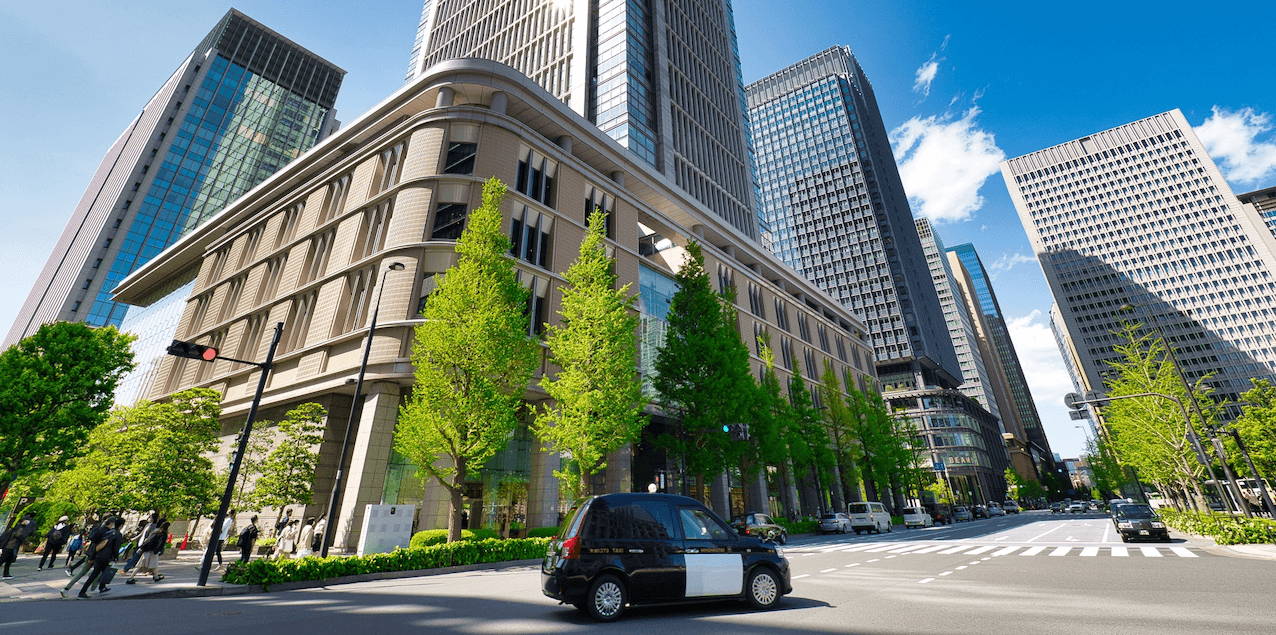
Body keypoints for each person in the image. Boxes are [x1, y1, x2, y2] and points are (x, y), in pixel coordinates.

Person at [61, 517, 120, 598]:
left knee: (82, 573)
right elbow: (102, 545)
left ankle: (66, 588)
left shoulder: (99, 529)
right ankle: (93, 588)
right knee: (97, 573)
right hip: (97, 556)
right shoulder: (108, 532)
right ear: (112, 523)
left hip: (90, 553)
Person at [77, 516, 122, 598]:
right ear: (121, 526)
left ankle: (101, 587)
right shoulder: (118, 534)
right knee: (97, 574)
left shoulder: (109, 532)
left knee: (98, 573)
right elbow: (116, 548)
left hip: (99, 555)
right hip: (106, 557)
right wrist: (116, 558)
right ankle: (83, 592)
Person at [125, 520, 168, 584]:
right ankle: (155, 577)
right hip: (153, 552)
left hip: (146, 551)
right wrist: (157, 551)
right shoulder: (163, 534)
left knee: (140, 565)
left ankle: (131, 577)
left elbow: (148, 541)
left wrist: (142, 548)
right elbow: (160, 544)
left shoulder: (155, 532)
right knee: (154, 565)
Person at [1, 513, 37, 580]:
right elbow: (20, 536)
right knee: (2, 560)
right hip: (10, 546)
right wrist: (28, 543)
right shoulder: (19, 528)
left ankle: (6, 574)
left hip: (10, 546)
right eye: (26, 521)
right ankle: (6, 574)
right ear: (22, 521)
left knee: (8, 561)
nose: (27, 522)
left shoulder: (17, 527)